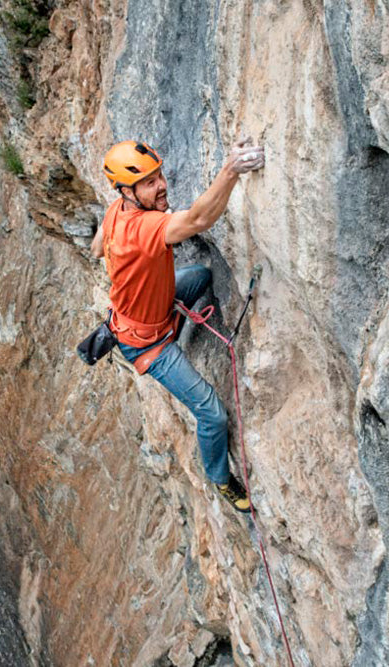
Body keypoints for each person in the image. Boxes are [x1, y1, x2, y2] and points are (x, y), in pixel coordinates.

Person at [90, 138, 265, 513]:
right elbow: (200, 219)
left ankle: (174, 319)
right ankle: (220, 479)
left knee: (200, 275)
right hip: (149, 345)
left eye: (159, 176)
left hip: (154, 305)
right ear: (128, 191)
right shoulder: (144, 227)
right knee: (212, 413)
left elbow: (96, 246)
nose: (162, 185)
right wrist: (231, 170)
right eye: (149, 182)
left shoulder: (115, 212)